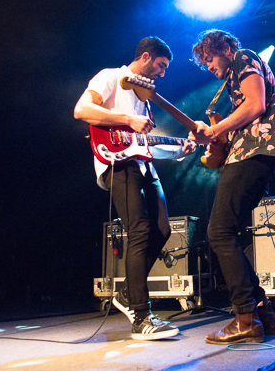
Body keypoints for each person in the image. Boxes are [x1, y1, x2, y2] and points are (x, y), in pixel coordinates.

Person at [73, 36, 195, 340]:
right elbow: (81, 110)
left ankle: (128, 293)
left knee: (162, 230)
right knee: (139, 230)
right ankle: (141, 317)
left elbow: (145, 144)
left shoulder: (145, 99)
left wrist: (180, 151)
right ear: (145, 56)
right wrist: (128, 118)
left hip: (142, 164)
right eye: (161, 65)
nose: (163, 73)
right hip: (117, 162)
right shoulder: (110, 76)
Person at [188, 29, 275, 345]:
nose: (208, 66)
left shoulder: (244, 57)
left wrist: (216, 130)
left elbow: (255, 105)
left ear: (226, 48)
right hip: (251, 153)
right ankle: (263, 314)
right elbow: (239, 121)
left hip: (253, 153)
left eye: (210, 58)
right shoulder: (233, 79)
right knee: (225, 232)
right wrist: (209, 137)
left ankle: (245, 319)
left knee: (218, 232)